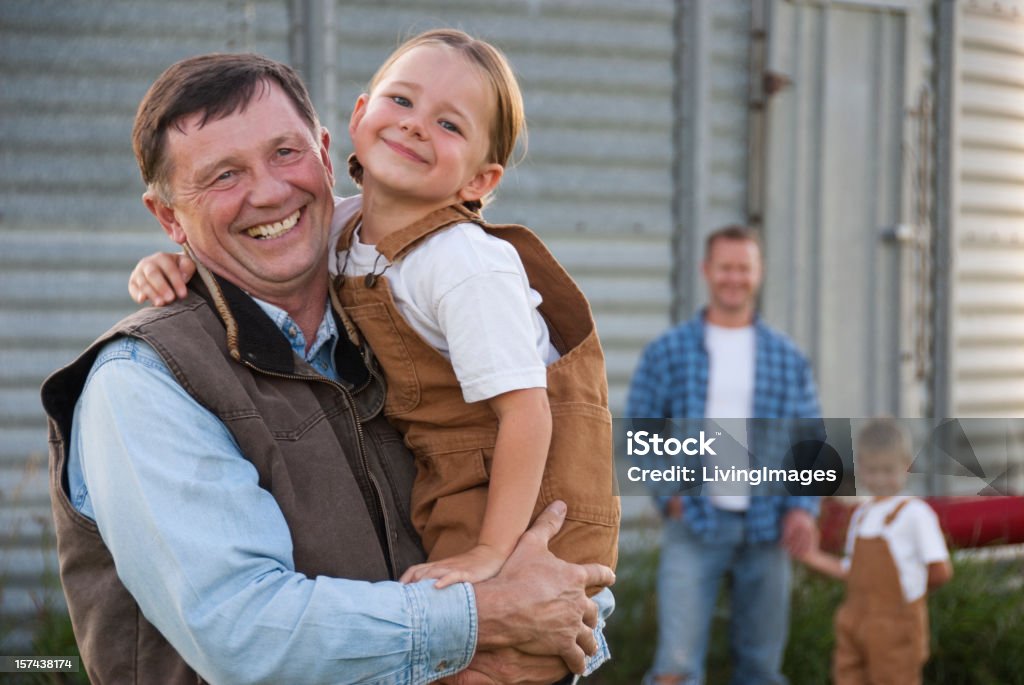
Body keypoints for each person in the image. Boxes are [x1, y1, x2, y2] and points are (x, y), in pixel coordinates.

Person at [41, 51, 615, 685]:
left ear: (322, 150)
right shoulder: (143, 381)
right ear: (169, 216)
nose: (269, 191)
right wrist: (481, 615)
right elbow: (244, 635)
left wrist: (550, 607)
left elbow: (563, 579)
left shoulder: (400, 313)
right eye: (223, 175)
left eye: (284, 153)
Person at [131, 29, 620, 591]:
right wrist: (176, 263)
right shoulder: (341, 225)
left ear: (480, 180)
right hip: (453, 474)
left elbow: (528, 414)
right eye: (403, 101)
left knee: (498, 656)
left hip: (530, 497)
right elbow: (259, 233)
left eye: (450, 124)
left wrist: (490, 551)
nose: (415, 124)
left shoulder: (465, 263)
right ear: (359, 117)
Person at [626, 225, 821, 685]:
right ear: (706, 271)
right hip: (694, 522)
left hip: (767, 526)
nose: (735, 278)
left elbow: (809, 440)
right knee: (675, 667)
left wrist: (802, 509)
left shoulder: (786, 356)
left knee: (761, 667)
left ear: (759, 273)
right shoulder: (669, 351)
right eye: (726, 267)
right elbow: (642, 430)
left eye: (744, 268)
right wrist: (668, 493)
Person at [800, 418, 952, 685]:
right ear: (859, 468)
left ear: (907, 465)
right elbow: (851, 570)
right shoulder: (861, 515)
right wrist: (811, 556)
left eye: (888, 470)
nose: (880, 479)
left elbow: (940, 571)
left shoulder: (915, 514)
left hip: (895, 627)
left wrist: (904, 602)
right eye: (872, 471)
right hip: (854, 622)